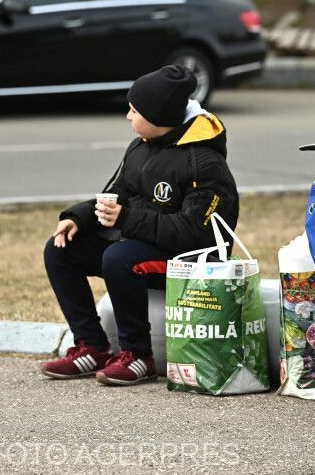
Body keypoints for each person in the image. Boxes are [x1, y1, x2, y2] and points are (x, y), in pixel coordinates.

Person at [41, 65, 239, 386]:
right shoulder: (141, 146)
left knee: (119, 257)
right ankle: (92, 346)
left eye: (134, 110)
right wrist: (78, 217)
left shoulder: (204, 163)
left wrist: (126, 219)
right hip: (143, 244)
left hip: (191, 261)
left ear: (158, 116)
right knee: (61, 249)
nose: (127, 117)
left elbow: (192, 233)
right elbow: (116, 195)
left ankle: (138, 356)